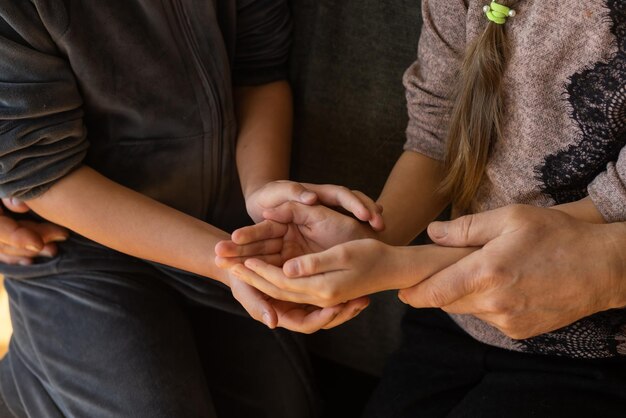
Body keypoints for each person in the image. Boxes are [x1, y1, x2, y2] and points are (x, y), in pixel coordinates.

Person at [217, 0, 626, 415]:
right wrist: (368, 236)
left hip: (600, 348)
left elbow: (582, 229)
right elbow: (438, 137)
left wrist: (389, 264)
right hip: (456, 322)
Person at [0, 2, 385, 417]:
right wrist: (226, 263)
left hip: (222, 224)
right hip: (80, 249)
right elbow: (44, 170)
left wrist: (261, 191)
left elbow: (259, 72)